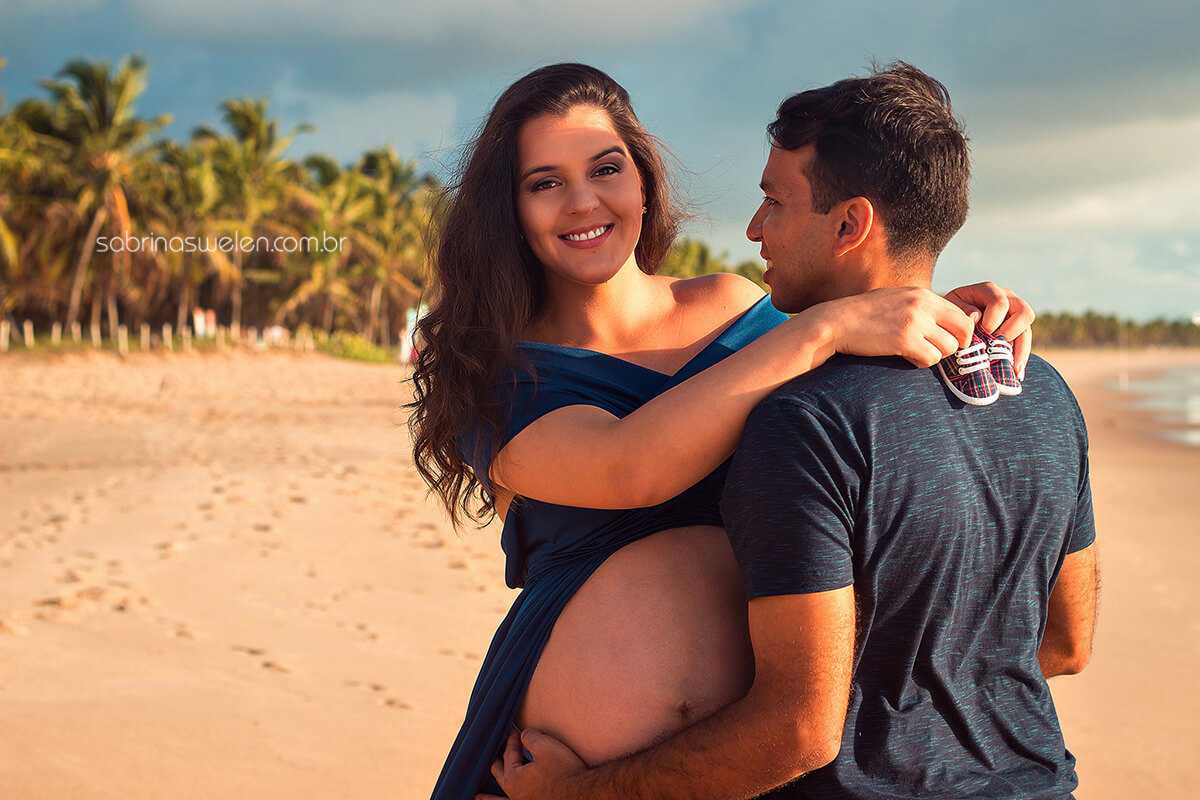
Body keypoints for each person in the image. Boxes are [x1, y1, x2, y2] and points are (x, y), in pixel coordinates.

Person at [409, 63, 1033, 799]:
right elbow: (631, 468)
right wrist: (825, 328)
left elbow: (858, 394)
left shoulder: (740, 311)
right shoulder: (501, 377)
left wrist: (959, 317)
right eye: (545, 183)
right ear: (510, 211)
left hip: (743, 768)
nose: (583, 202)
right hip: (553, 772)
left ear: (643, 182)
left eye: (606, 169)